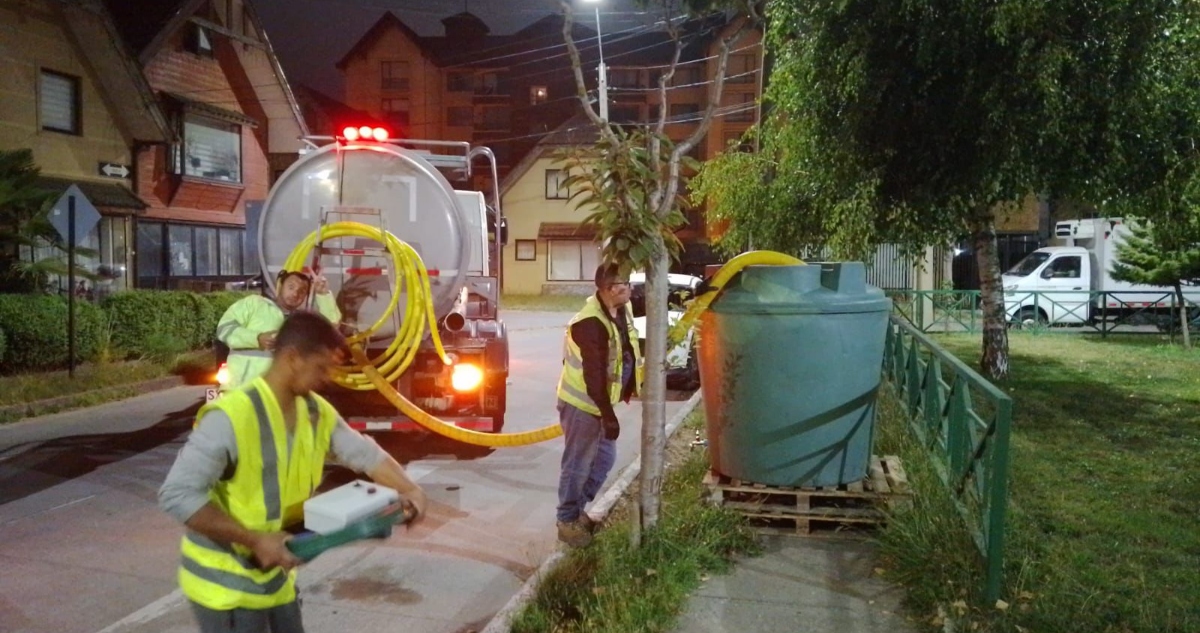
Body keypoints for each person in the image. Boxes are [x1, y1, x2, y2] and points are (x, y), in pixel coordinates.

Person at [160, 311, 428, 633]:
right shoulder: (232, 416)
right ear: (292, 358)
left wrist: (410, 489)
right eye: (321, 367)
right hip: (226, 588)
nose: (328, 377)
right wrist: (255, 540)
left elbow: (365, 454)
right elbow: (177, 494)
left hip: (276, 579)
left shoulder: (315, 413)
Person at [554, 263, 643, 548]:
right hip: (582, 405)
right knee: (578, 465)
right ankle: (567, 521)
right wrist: (609, 416)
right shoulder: (590, 324)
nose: (630, 288)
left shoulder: (620, 309)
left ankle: (576, 511)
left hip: (599, 405)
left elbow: (651, 302)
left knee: (604, 460)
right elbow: (594, 378)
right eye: (624, 283)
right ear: (609, 289)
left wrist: (696, 297)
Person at [215, 270, 341, 392]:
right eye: (291, 287)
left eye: (302, 291)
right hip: (240, 391)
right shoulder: (254, 303)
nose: (295, 293)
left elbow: (331, 328)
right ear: (280, 286)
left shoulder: (301, 321)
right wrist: (257, 338)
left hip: (278, 395)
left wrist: (323, 294)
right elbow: (224, 329)